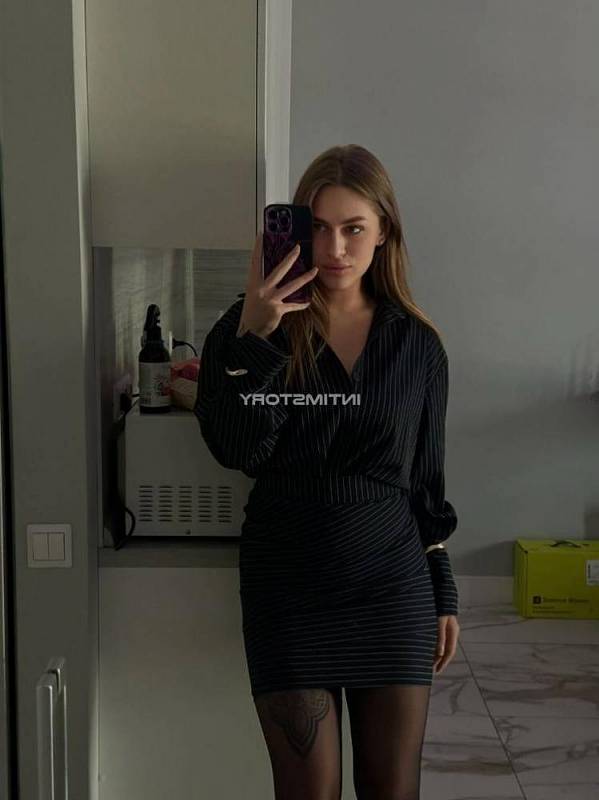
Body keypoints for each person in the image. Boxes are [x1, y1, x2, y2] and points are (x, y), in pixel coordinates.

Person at [194, 144, 460, 800]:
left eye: (353, 228)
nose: (334, 248)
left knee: (392, 791)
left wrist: (443, 591)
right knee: (307, 792)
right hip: (288, 587)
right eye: (317, 227)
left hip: (392, 588)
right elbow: (235, 448)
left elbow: (425, 484)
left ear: (384, 232)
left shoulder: (417, 345)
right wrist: (256, 339)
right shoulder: (247, 326)